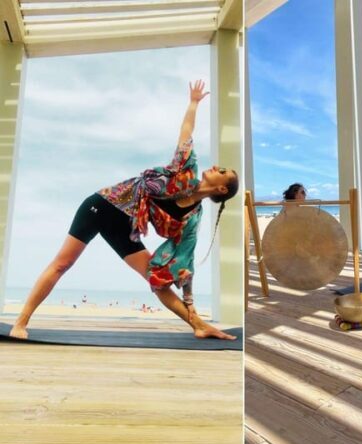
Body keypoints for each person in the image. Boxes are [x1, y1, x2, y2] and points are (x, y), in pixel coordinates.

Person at [10, 81, 238, 340]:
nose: (217, 166)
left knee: (156, 278)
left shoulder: (192, 218)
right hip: (102, 206)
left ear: (222, 190)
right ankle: (21, 322)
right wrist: (194, 103)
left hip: (125, 227)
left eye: (223, 172)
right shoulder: (186, 170)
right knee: (62, 263)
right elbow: (186, 132)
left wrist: (191, 304)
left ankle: (198, 325)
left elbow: (185, 265)